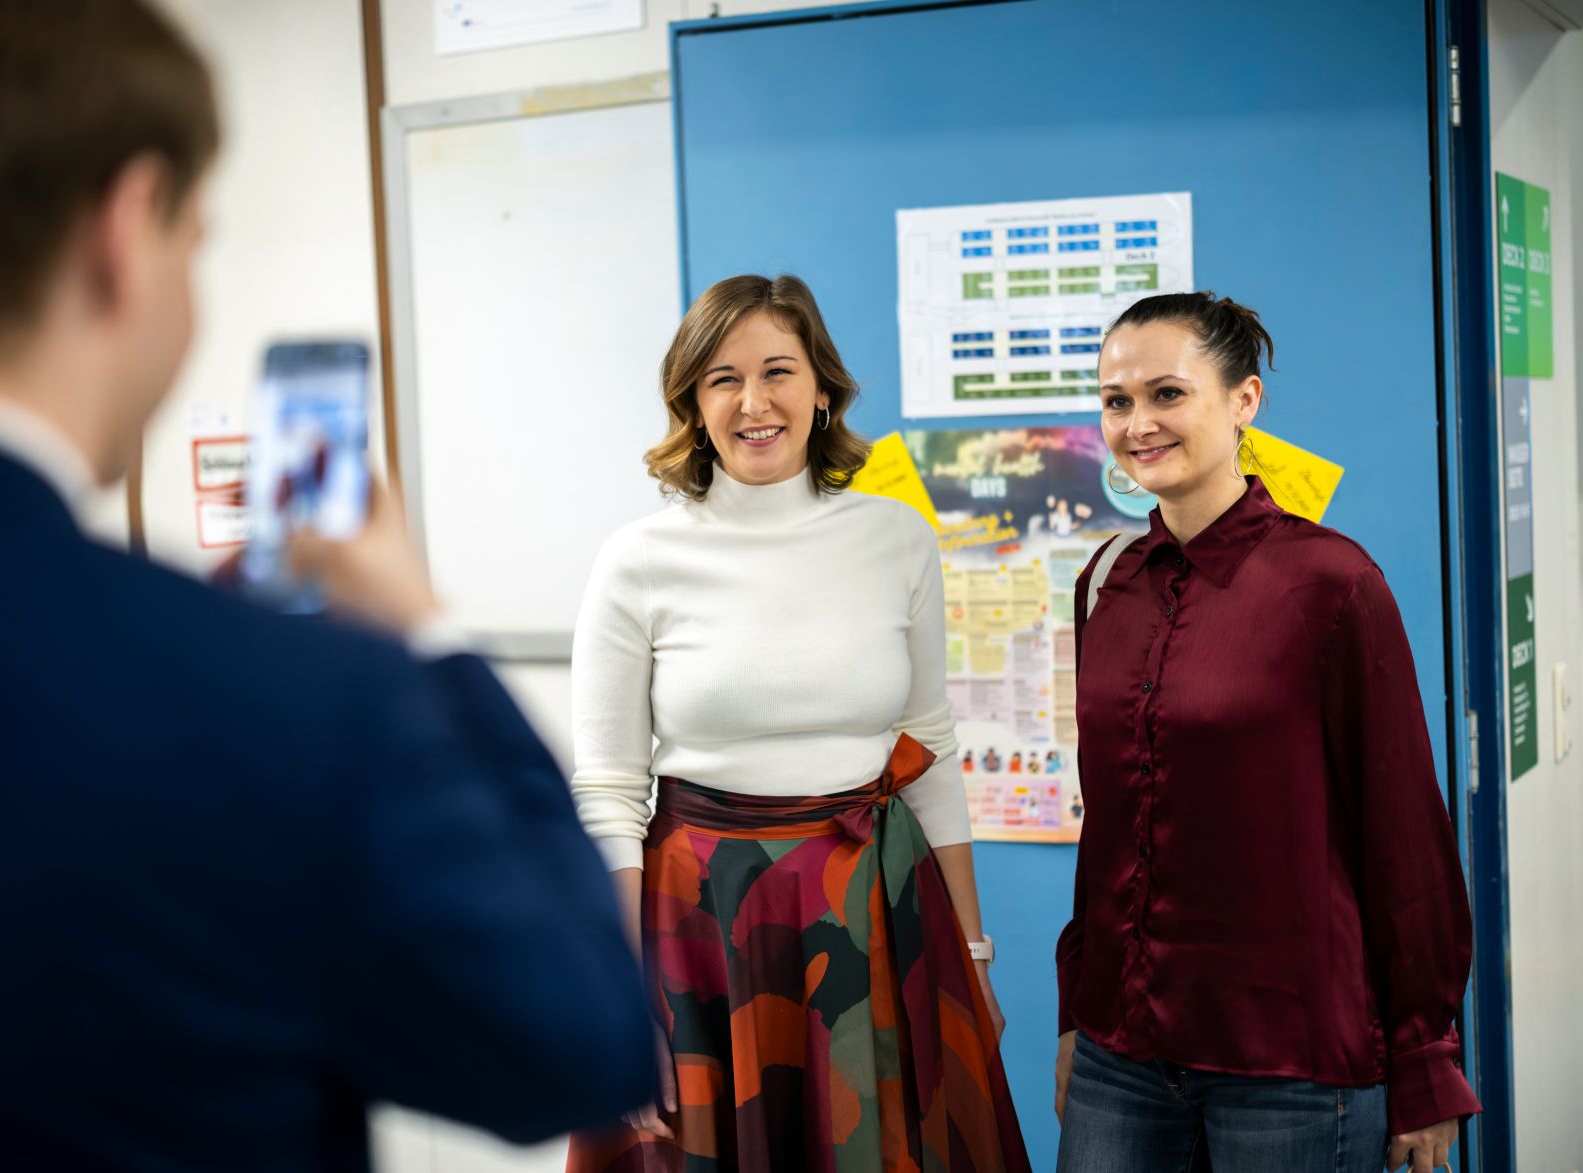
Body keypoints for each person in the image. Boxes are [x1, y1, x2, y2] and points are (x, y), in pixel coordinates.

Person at [0, 1, 652, 1168]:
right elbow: (583, 1041)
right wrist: (426, 640)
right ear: (123, 231)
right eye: (194, 240)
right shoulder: (295, 705)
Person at [565, 274, 1030, 1172]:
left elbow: (927, 748)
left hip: (883, 910)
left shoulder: (898, 539)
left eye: (778, 370)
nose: (754, 401)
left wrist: (972, 950)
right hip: (704, 923)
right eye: (721, 379)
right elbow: (610, 793)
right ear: (693, 405)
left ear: (823, 389)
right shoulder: (637, 560)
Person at [1054, 292, 1479, 1173]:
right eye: (1116, 400)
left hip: (1289, 1063)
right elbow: (1108, 828)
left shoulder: (1331, 585)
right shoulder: (1105, 582)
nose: (1139, 423)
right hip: (1120, 1054)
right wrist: (1077, 1011)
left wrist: (1425, 1058)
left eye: (1168, 394)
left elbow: (1404, 836)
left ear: (1244, 401)